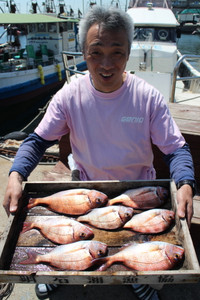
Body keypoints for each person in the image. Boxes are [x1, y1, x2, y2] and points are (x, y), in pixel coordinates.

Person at [3, 5, 196, 300]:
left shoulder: (147, 98)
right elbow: (37, 140)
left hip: (140, 194)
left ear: (128, 53)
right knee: (74, 243)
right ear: (83, 53)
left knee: (142, 248)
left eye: (116, 52)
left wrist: (185, 183)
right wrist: (16, 175)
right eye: (96, 52)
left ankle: (138, 276)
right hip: (87, 193)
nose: (106, 63)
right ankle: (59, 269)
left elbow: (177, 149)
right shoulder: (69, 96)